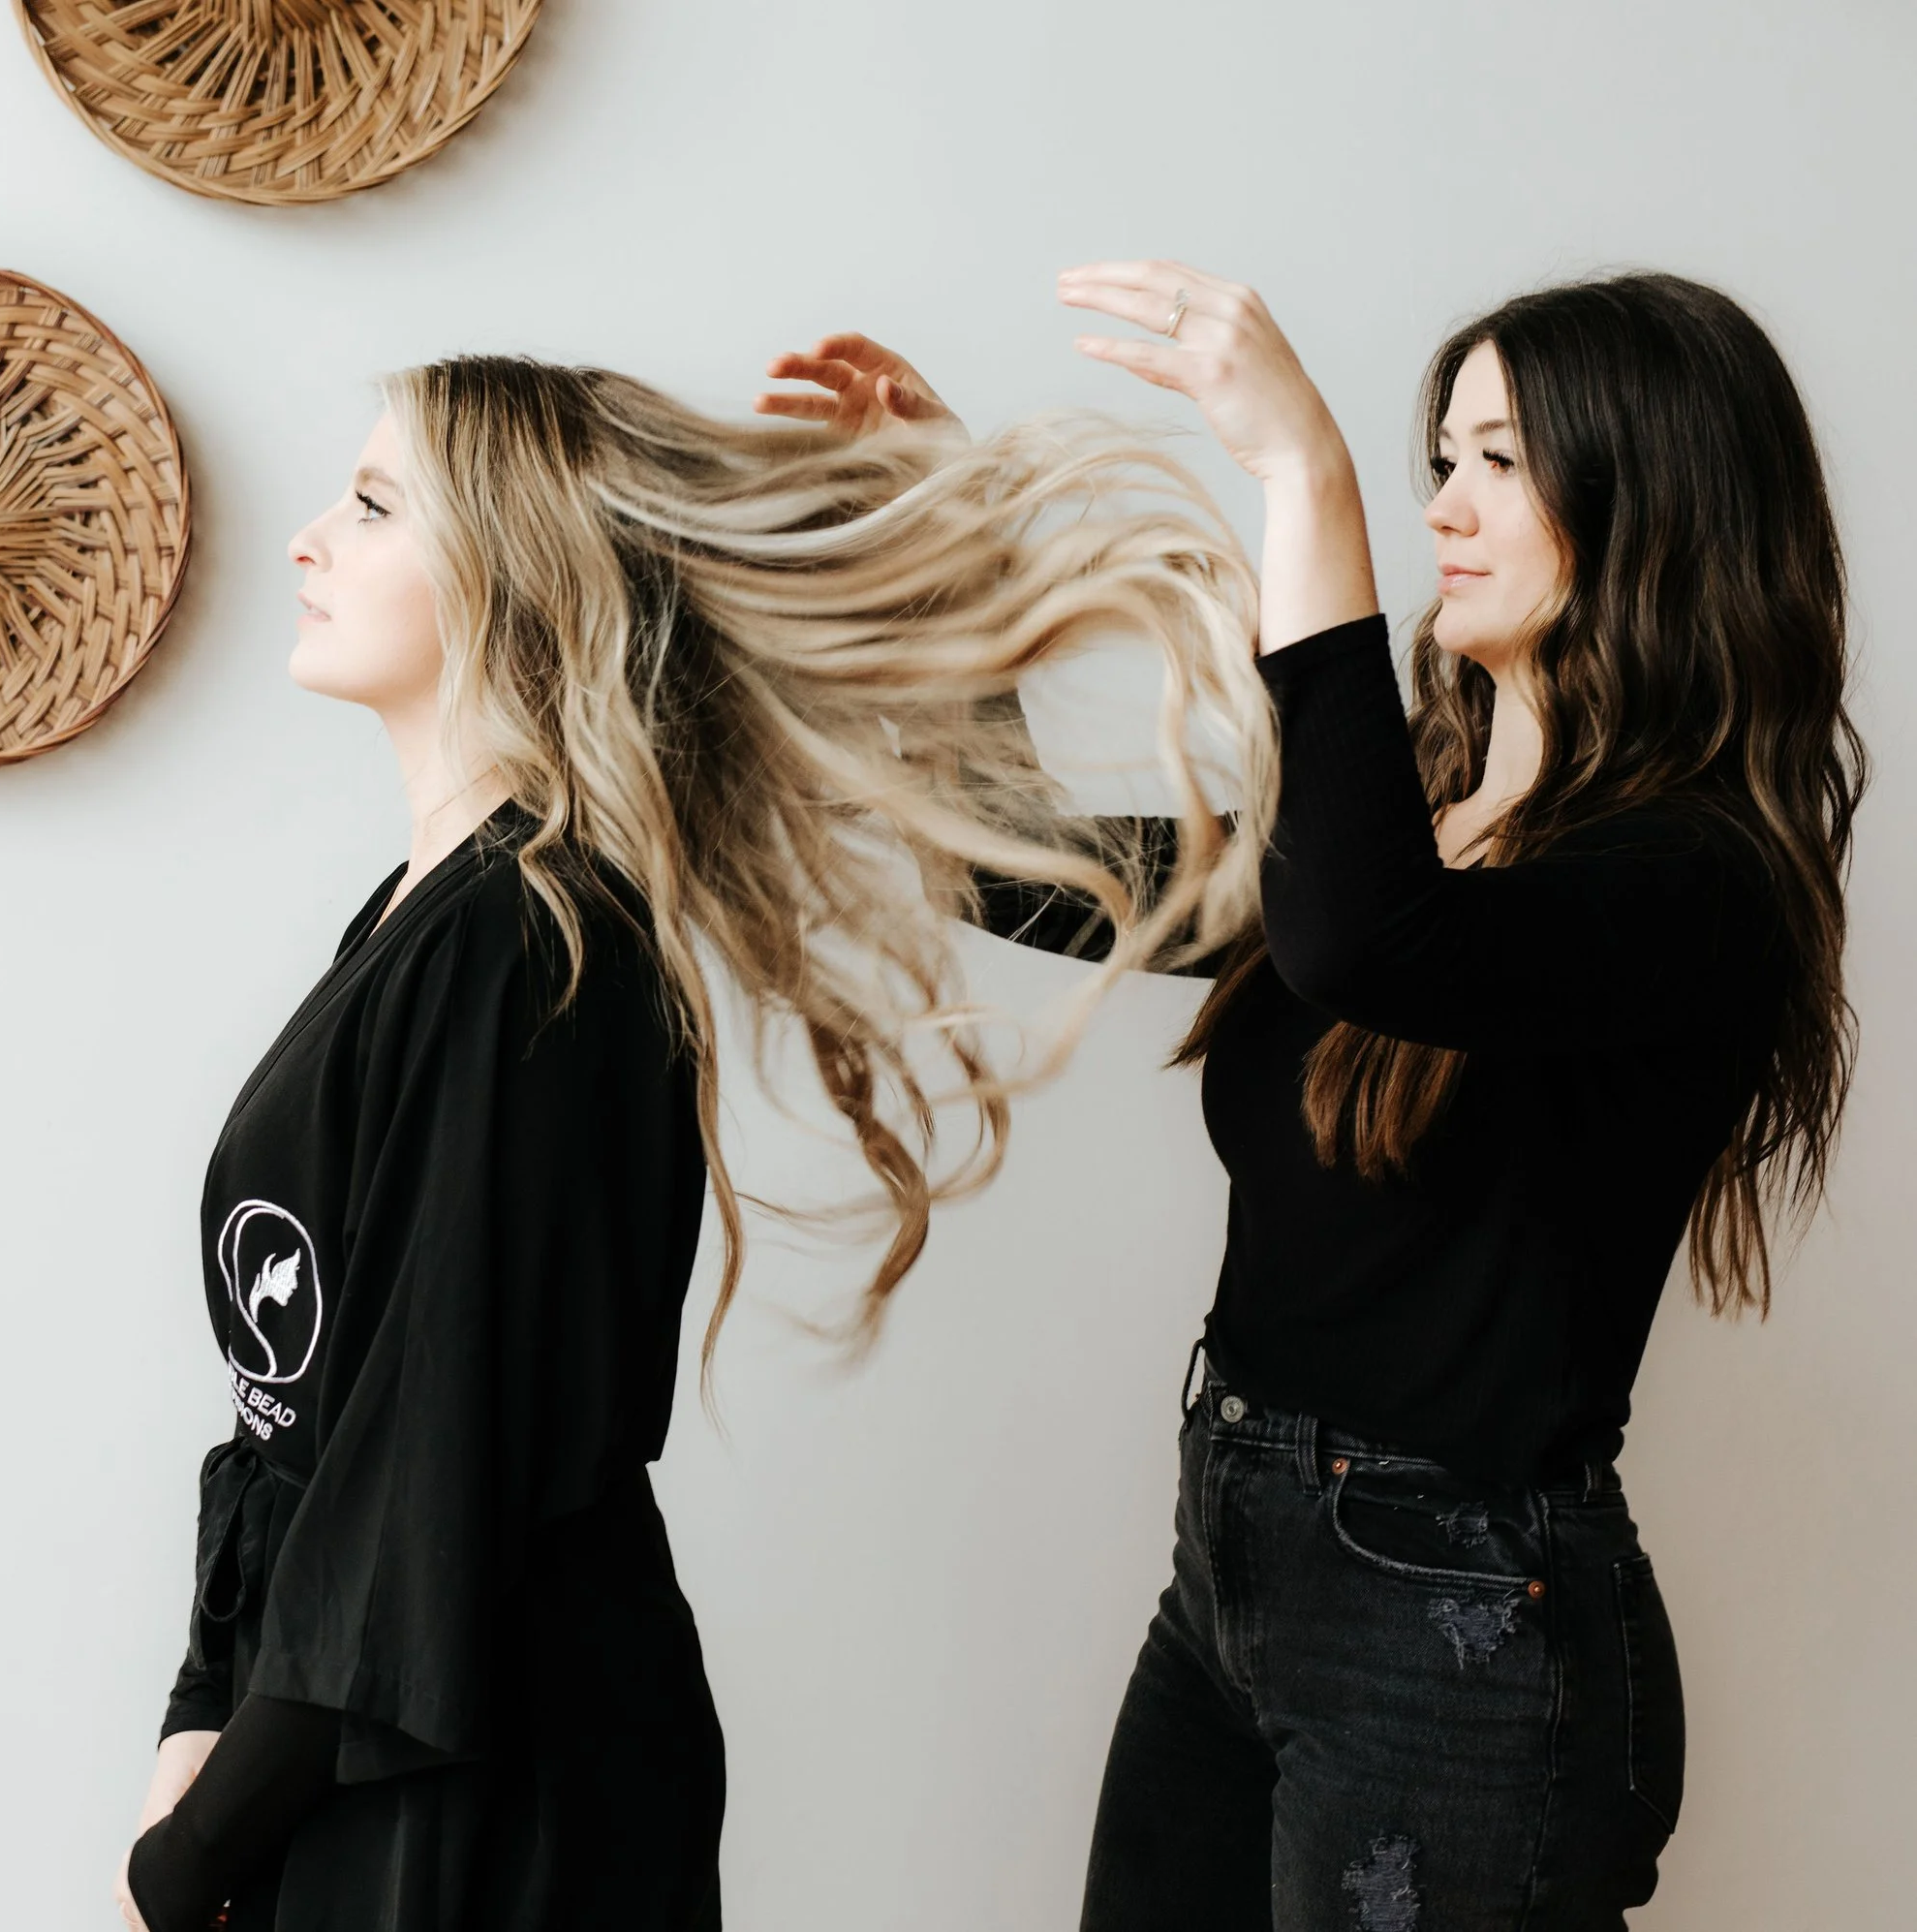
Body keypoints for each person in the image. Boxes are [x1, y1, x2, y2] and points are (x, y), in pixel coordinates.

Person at [113, 354, 1279, 1932]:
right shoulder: (419, 914)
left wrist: (191, 1855)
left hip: (474, 1766)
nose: (310, 537)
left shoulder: (527, 947)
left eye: (376, 504)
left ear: (515, 575)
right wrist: (201, 1704)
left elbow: (429, 1475)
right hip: (351, 1736)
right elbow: (303, 1421)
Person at [761, 266, 1861, 1926]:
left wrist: (1307, 472)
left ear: (1654, 495)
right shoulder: (1411, 816)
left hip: (1459, 1635)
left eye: (1500, 461)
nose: (1444, 507)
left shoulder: (1700, 882)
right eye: (1437, 460)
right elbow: (1027, 868)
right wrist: (951, 535)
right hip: (1235, 1563)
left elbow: (1372, 943)